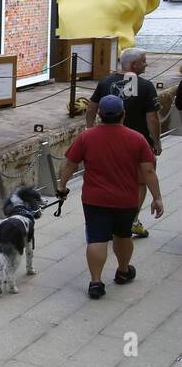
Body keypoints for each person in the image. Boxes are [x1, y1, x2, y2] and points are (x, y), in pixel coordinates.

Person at [58, 95, 163, 299]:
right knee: (123, 235)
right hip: (126, 199)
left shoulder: (86, 137)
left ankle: (96, 283)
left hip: (94, 198)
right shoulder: (137, 138)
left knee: (97, 238)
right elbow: (148, 171)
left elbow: (70, 164)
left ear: (99, 115)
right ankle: (123, 271)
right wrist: (156, 197)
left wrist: (61, 186)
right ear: (123, 115)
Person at [87, 48, 161, 237]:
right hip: (138, 143)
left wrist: (90, 130)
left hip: (107, 142)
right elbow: (152, 118)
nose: (146, 64)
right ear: (134, 64)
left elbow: (91, 107)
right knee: (140, 182)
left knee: (111, 179)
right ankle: (131, 220)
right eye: (144, 61)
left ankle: (110, 219)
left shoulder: (104, 83)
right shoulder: (145, 86)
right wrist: (157, 142)